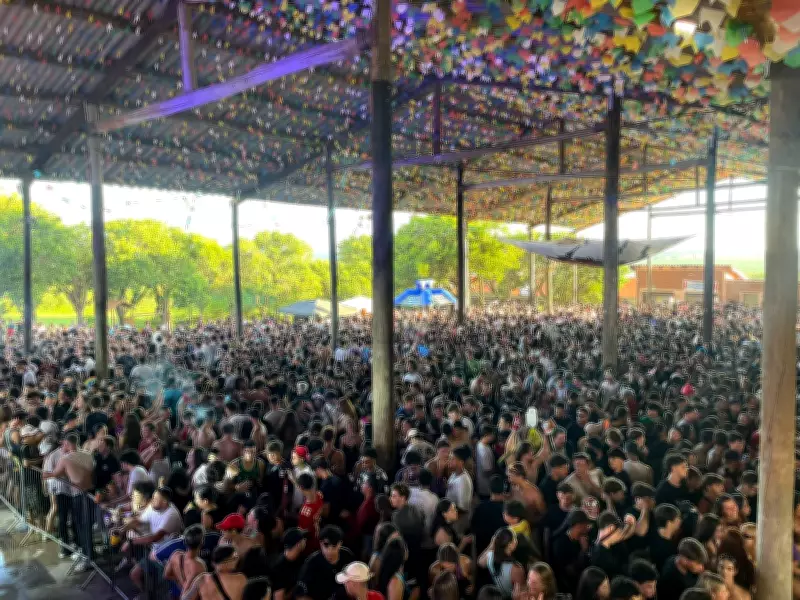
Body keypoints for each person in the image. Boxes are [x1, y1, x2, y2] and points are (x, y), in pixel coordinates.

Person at [296, 525, 355, 600]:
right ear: (320, 544)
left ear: (340, 544)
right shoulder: (311, 563)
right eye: (326, 546)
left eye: (334, 546)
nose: (329, 551)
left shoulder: (347, 556)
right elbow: (300, 595)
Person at [180, 545, 247, 600]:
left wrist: (188, 581)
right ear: (226, 561)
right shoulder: (240, 578)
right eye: (235, 558)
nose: (237, 560)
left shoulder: (202, 579)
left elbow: (185, 599)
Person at [478, 528, 525, 599]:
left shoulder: (490, 557)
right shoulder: (515, 568)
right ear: (509, 545)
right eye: (514, 539)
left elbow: (480, 562)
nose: (516, 541)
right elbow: (520, 593)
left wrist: (491, 545)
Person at [165, 524, 208, 598]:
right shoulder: (198, 565)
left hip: (176, 594)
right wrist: (185, 584)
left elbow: (167, 575)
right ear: (202, 542)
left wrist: (180, 581)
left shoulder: (175, 555)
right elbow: (185, 593)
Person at [270, 528, 307, 600]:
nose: (305, 540)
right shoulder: (280, 568)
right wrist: (296, 588)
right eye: (303, 539)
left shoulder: (300, 558)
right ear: (298, 545)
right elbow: (279, 598)